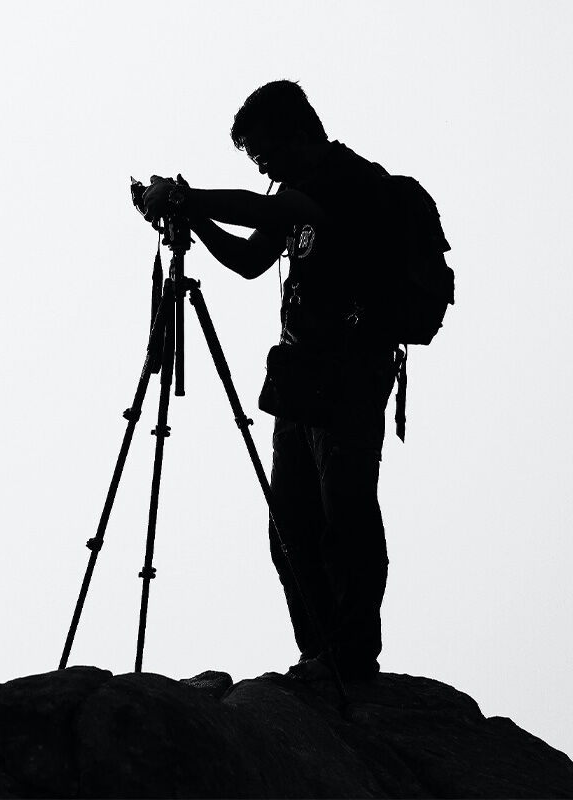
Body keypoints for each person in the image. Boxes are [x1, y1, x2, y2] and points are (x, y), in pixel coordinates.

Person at [138, 80, 398, 682]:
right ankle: (320, 655)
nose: (265, 171)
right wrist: (192, 215)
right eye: (257, 162)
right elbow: (252, 261)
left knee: (346, 515)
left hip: (351, 375)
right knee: (292, 526)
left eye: (267, 155)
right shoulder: (294, 188)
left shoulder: (342, 180)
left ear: (302, 133)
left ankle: (353, 657)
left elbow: (277, 214)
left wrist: (188, 195)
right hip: (303, 377)